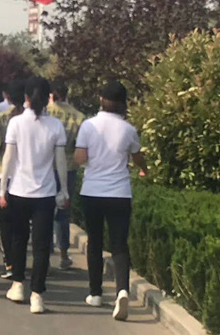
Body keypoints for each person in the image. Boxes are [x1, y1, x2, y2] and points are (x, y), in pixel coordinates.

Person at [74, 80, 148, 321]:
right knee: (119, 244)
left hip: (93, 191)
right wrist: (144, 169)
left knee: (95, 242)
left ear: (101, 100)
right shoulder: (128, 129)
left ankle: (95, 293)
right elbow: (137, 157)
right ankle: (122, 291)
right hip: (119, 193)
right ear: (123, 103)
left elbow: (80, 157)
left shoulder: (88, 126)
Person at [0, 76, 69, 314]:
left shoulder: (16, 123)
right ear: (48, 97)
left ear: (26, 97)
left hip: (19, 190)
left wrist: (3, 189)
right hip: (45, 193)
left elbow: (9, 159)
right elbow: (60, 162)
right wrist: (64, 189)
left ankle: (18, 285)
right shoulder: (56, 126)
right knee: (41, 245)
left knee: (19, 239)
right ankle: (37, 295)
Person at [0, 79, 25, 279]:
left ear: (7, 97)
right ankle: (20, 261)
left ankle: (9, 262)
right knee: (22, 222)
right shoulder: (32, 119)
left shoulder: (1, 118)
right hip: (24, 175)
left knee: (5, 222)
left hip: (2, 171)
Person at [47, 78, 86, 270]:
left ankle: (45, 255)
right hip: (69, 167)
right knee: (63, 211)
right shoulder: (79, 117)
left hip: (46, 167)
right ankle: (63, 255)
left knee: (44, 212)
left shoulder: (45, 113)